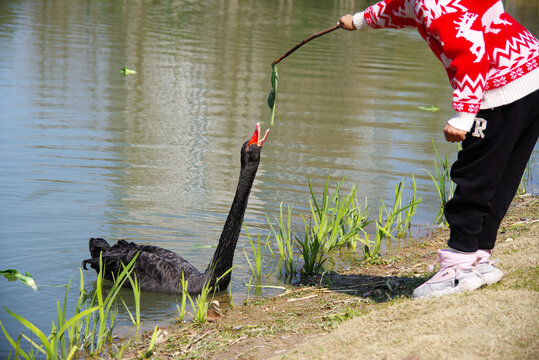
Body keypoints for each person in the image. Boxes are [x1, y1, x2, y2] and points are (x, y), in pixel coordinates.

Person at [338, 0, 539, 299]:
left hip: (499, 88)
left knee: (475, 175)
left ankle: (457, 266)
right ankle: (479, 258)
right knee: (502, 175)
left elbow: (467, 50)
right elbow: (399, 7)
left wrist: (464, 116)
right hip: (531, 73)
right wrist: (361, 20)